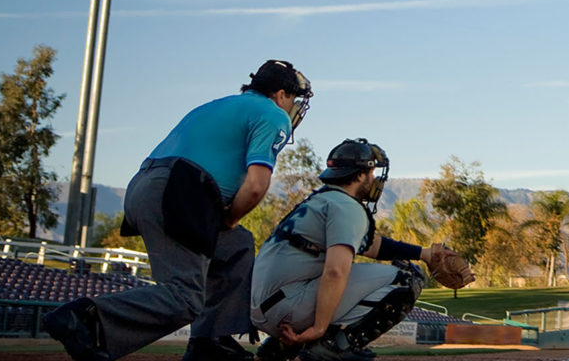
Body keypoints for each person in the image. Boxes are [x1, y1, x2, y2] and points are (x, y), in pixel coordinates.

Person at [44, 60, 313, 361]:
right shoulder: (272, 115)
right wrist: (229, 217)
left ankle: (208, 342)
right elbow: (255, 187)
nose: (292, 106)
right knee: (184, 297)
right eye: (292, 98)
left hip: (148, 186)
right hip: (181, 190)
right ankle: (84, 318)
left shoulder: (217, 105)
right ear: (280, 94)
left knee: (236, 245)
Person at [250, 138, 464, 361]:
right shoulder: (346, 206)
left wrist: (424, 254)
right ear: (361, 174)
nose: (374, 180)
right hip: (286, 307)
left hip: (268, 306)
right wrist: (320, 328)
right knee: (406, 279)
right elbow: (335, 271)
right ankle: (334, 347)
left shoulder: (322, 200)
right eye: (371, 174)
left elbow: (370, 245)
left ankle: (273, 352)